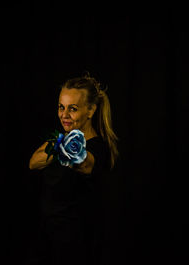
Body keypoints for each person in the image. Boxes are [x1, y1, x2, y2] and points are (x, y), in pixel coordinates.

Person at [24, 73, 118, 265]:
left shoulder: (97, 147)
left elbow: (84, 164)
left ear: (90, 110)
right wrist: (60, 144)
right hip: (46, 237)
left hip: (74, 243)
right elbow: (33, 162)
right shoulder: (58, 138)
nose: (64, 115)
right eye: (61, 107)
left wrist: (66, 148)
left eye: (72, 109)